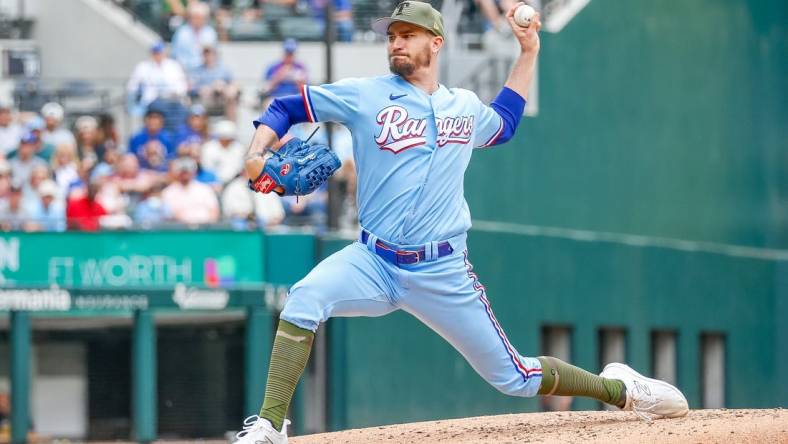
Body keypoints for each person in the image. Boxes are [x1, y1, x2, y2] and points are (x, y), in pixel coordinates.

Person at [232, 3, 689, 443]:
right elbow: (286, 107)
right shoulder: (365, 95)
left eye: (408, 36)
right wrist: (256, 153)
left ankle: (623, 390)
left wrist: (528, 51)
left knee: (515, 378)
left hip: (442, 271)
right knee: (304, 297)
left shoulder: (463, 106)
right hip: (371, 259)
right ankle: (270, 427)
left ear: (436, 43)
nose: (397, 44)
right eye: (392, 36)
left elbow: (506, 123)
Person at [126, 42, 189, 116]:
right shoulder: (143, 66)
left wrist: (176, 93)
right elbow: (131, 86)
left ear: (164, 53)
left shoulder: (174, 65)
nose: (157, 55)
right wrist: (140, 90)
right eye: (155, 52)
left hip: (172, 102)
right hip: (150, 103)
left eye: (159, 52)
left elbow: (182, 86)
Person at [161, 157, 220, 225]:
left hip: (204, 229)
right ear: (177, 172)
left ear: (194, 172)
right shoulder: (168, 192)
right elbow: (169, 215)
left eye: (188, 171)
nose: (185, 174)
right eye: (182, 171)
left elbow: (214, 212)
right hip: (179, 230)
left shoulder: (205, 189)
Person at [188, 45, 240, 120]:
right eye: (205, 54)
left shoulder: (224, 69)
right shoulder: (197, 71)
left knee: (231, 96)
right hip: (205, 100)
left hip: (222, 98)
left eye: (210, 53)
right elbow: (191, 87)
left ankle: (231, 126)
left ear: (215, 55)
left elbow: (234, 84)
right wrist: (206, 89)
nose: (207, 56)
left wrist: (222, 87)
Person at [171, 2, 218, 72]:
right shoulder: (181, 32)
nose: (198, 20)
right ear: (190, 18)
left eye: (201, 17)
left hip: (206, 70)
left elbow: (214, 54)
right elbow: (176, 55)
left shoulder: (210, 32)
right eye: (195, 17)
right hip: (185, 69)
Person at [201, 120, 245, 184]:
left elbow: (240, 167)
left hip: (235, 182)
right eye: (225, 137)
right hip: (214, 182)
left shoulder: (239, 148)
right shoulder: (208, 148)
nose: (227, 140)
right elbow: (207, 168)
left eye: (230, 138)